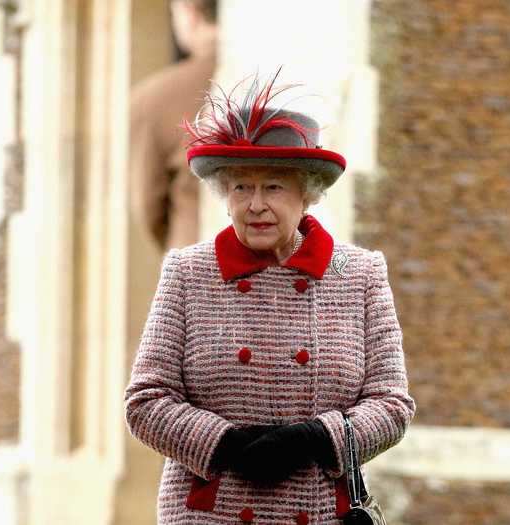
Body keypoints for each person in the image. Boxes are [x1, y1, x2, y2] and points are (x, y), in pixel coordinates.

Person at [124, 70, 416, 524]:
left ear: (307, 195)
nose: (256, 204)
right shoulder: (188, 272)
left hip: (318, 513)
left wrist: (318, 438)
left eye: (273, 187)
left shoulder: (359, 274)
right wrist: (225, 444)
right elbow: (146, 401)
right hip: (210, 514)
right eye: (242, 187)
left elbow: (392, 405)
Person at [130, 0, 218, 251]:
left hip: (195, 268)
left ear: (189, 11)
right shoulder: (282, 77)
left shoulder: (154, 97)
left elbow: (149, 207)